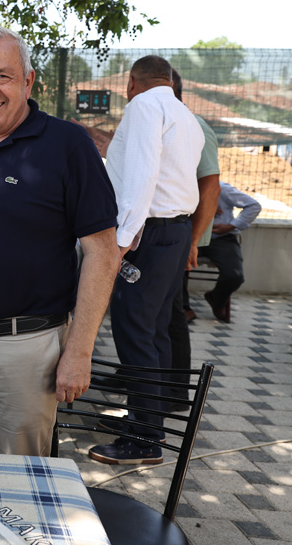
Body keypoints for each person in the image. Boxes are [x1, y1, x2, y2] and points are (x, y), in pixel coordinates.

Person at [0, 24, 119, 457]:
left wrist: (80, 351)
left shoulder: (67, 146)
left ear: (28, 81)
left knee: (21, 478)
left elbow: (103, 253)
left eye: (2, 76)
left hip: (27, 348)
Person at [90, 55, 203, 466]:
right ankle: (148, 421)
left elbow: (142, 175)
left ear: (131, 83)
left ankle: (143, 438)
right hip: (175, 231)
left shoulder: (143, 106)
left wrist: (121, 241)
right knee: (155, 332)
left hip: (148, 234)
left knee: (135, 331)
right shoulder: (185, 115)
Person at [167, 70, 219, 410]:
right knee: (160, 314)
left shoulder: (193, 125)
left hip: (177, 237)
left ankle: (173, 393)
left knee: (171, 313)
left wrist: (192, 241)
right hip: (167, 238)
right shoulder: (170, 122)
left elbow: (210, 185)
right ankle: (146, 381)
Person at [199, 181, 261, 322]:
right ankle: (183, 308)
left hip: (220, 238)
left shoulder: (223, 189)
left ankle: (216, 299)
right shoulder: (184, 188)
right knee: (173, 268)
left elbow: (254, 206)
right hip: (191, 237)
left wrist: (231, 226)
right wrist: (200, 206)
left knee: (234, 276)